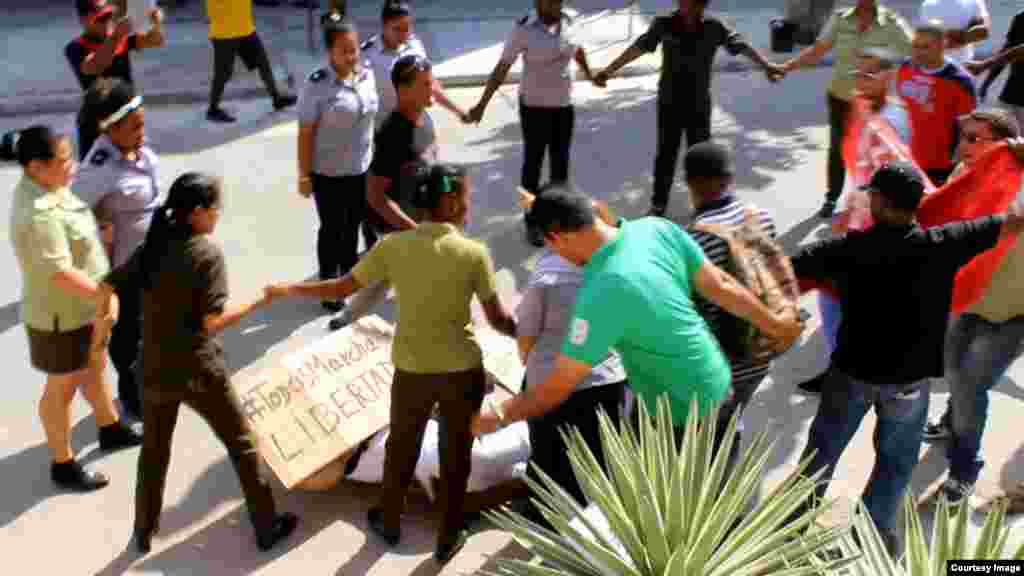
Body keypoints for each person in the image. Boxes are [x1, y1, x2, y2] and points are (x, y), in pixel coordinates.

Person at [267, 163, 519, 564]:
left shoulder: (393, 246)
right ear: (451, 201)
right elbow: (498, 319)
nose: (469, 204)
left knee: (402, 445)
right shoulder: (474, 254)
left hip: (412, 373)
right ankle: (448, 536)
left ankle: (388, 519)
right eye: (466, 196)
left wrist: (287, 290)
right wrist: (528, 336)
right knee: (458, 453)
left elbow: (341, 288)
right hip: (461, 374)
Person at [472, 188, 804, 472]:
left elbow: (556, 388)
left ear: (558, 237)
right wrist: (775, 326)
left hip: (679, 415)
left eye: (551, 245)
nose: (555, 254)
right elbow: (721, 284)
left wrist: (498, 415)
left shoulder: (601, 293)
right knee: (712, 481)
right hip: (718, 384)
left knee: (675, 508)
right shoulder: (656, 230)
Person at [788, 161, 1024, 555]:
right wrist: (1010, 158)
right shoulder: (944, 244)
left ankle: (789, 525)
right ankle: (874, 537)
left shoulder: (846, 249)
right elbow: (1013, 222)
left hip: (851, 375)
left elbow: (785, 268)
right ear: (918, 203)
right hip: (908, 384)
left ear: (879, 201)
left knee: (823, 451)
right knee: (896, 464)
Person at [98, 173, 298, 554]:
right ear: (199, 213)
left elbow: (107, 285)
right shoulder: (206, 253)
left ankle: (143, 531)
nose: (218, 216)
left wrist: (102, 327)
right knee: (242, 443)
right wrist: (262, 301)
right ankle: (266, 526)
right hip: (198, 368)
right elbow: (212, 322)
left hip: (153, 366)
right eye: (215, 209)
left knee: (154, 452)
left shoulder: (153, 244)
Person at [9, 126, 142, 492]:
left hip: (84, 307)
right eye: (65, 159)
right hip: (61, 316)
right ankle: (63, 463)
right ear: (37, 167)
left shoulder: (52, 189)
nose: (73, 165)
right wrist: (104, 295)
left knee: (95, 366)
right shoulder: (38, 213)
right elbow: (59, 272)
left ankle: (109, 426)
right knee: (62, 388)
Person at [914, 110, 1024, 504]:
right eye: (963, 137)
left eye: (975, 139)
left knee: (969, 387)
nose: (963, 147)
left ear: (1005, 145)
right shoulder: (966, 172)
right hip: (966, 298)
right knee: (953, 370)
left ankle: (964, 467)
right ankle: (950, 423)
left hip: (1010, 314)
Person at [592, 0, 784, 217]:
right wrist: (608, 71)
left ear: (703, 5)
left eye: (696, 4)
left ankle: (704, 205)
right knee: (666, 154)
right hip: (669, 103)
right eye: (685, 2)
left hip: (699, 103)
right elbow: (639, 47)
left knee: (701, 157)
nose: (689, 8)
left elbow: (740, 46)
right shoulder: (664, 24)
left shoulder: (714, 27)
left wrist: (767, 65)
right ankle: (658, 205)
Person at [797, 48, 917, 395]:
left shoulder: (891, 120)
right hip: (864, 216)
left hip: (874, 221)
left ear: (887, 76)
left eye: (868, 74)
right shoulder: (868, 110)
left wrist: (855, 211)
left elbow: (889, 175)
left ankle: (845, 372)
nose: (860, 81)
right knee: (841, 298)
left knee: (835, 295)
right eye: (858, 74)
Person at [516, 184, 627, 525]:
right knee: (595, 455)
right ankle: (586, 516)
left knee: (549, 455)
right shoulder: (619, 258)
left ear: (553, 237)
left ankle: (546, 515)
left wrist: (529, 362)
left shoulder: (548, 277)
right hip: (607, 379)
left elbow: (527, 337)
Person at [327, 53, 439, 330]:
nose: (432, 88)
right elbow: (375, 196)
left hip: (420, 221)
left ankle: (347, 319)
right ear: (403, 90)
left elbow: (434, 166)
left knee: (384, 275)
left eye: (431, 81)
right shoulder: (392, 134)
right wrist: (414, 230)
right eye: (425, 84)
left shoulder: (425, 119)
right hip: (398, 227)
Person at [72, 80, 159, 421]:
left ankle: (148, 384)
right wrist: (100, 224)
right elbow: (73, 213)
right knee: (128, 339)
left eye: (142, 122)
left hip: (151, 259)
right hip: (122, 268)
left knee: (152, 329)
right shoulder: (100, 166)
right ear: (112, 128)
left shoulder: (137, 148)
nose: (143, 131)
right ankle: (132, 398)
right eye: (135, 126)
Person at [780, 0, 913, 218]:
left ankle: (875, 202)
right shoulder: (840, 19)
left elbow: (916, 52)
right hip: (841, 97)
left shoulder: (891, 22)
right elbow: (817, 51)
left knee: (875, 153)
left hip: (873, 102)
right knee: (838, 149)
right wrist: (788, 66)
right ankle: (832, 197)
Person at [684, 142, 778, 420]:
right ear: (730, 179)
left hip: (720, 363)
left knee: (709, 440)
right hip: (759, 353)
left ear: (689, 183)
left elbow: (689, 307)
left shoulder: (694, 240)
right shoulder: (760, 217)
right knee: (731, 424)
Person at [468, 0, 600, 194]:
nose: (557, 4)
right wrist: (482, 105)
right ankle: (532, 216)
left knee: (561, 164)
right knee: (533, 163)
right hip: (534, 108)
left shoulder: (572, 21)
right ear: (538, 2)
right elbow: (503, 67)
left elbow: (577, 50)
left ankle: (558, 215)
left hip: (564, 106)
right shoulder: (523, 29)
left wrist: (590, 76)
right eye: (551, 1)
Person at [297, 14, 378, 315]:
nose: (351, 55)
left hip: (360, 167)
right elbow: (305, 133)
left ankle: (349, 276)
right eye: (344, 50)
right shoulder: (317, 85)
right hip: (328, 172)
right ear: (330, 52)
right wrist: (304, 175)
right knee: (332, 229)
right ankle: (330, 286)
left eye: (354, 48)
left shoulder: (366, 74)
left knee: (354, 223)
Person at [66, 0, 164, 159]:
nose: (107, 23)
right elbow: (94, 66)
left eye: (109, 16)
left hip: (127, 119)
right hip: (97, 126)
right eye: (101, 19)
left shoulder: (119, 39)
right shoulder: (75, 47)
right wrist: (117, 36)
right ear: (84, 21)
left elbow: (154, 41)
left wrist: (156, 24)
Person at [362, 1, 468, 131]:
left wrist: (459, 111)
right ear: (384, 26)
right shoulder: (368, 54)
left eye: (407, 27)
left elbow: (430, 85)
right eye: (397, 29)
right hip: (385, 130)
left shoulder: (415, 46)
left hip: (418, 126)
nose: (403, 34)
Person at [896, 21, 977, 186]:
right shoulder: (905, 68)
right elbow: (901, 108)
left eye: (926, 47)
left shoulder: (960, 81)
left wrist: (959, 167)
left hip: (942, 167)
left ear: (943, 45)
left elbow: (968, 129)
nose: (918, 52)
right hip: (906, 158)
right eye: (915, 46)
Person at [205, 0, 297, 122]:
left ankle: (276, 99)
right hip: (224, 32)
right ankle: (212, 109)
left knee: (263, 64)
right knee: (223, 73)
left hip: (245, 29)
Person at [977, 9, 1024, 129]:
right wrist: (986, 84)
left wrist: (983, 65)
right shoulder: (1020, 18)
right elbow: (1007, 50)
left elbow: (1017, 51)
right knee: (998, 139)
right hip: (1010, 97)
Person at [918, 0, 991, 62]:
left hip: (961, 65)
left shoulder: (927, 5)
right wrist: (965, 35)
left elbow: (984, 31)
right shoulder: (928, 5)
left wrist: (952, 37)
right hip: (942, 66)